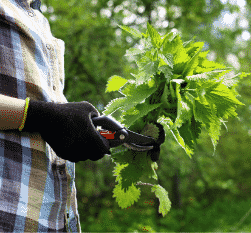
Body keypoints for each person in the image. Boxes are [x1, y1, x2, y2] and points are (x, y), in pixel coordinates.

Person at [0, 0, 165, 231]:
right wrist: (40, 116)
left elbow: (57, 118)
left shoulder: (38, 18)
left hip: (51, 220)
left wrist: (125, 132)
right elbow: (48, 116)